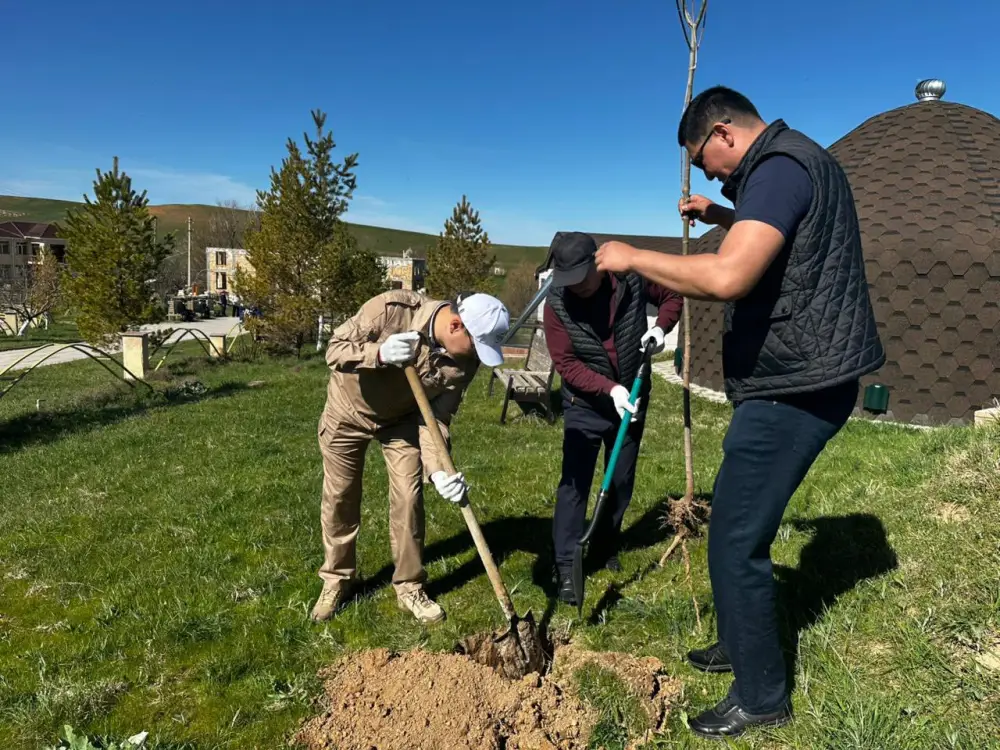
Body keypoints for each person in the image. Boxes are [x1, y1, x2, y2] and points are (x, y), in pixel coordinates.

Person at [594, 86, 886, 739]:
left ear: (723, 133)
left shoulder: (778, 170)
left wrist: (631, 256)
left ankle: (761, 697)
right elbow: (791, 242)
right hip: (803, 373)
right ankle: (740, 641)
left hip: (799, 384)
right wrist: (723, 218)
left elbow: (729, 279)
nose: (708, 175)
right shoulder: (797, 160)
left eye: (704, 162)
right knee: (731, 511)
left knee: (734, 540)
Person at [311, 288, 511, 625]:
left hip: (400, 421)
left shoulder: (466, 361)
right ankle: (337, 580)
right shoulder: (391, 310)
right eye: (477, 345)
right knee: (341, 496)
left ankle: (409, 588)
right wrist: (380, 353)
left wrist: (439, 473)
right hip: (347, 412)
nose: (477, 355)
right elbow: (335, 350)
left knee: (409, 497)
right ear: (456, 326)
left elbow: (436, 420)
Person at [542, 231, 683, 605]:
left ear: (598, 265)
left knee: (620, 480)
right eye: (567, 281)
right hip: (585, 403)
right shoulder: (556, 304)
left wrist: (660, 327)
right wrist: (608, 389)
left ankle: (604, 547)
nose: (576, 288)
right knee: (575, 485)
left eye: (581, 279)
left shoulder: (631, 277)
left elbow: (672, 294)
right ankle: (566, 563)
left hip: (633, 395)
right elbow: (566, 364)